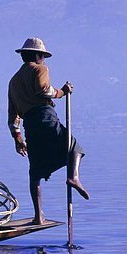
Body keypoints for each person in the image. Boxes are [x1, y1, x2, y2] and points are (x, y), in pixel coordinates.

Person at [7, 37, 90, 225]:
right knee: (74, 147)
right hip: (45, 117)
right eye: (42, 56)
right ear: (37, 55)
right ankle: (73, 178)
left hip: (30, 126)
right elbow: (45, 91)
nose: (43, 60)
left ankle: (38, 216)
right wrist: (63, 91)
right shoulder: (40, 69)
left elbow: (13, 116)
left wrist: (17, 137)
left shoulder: (13, 82)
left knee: (34, 172)